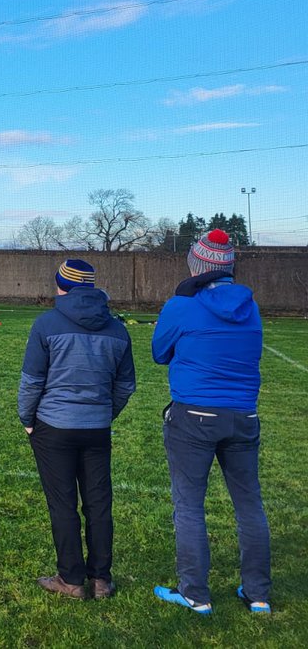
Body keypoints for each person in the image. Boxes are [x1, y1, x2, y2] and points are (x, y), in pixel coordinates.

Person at [151, 230, 272, 615]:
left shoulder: (180, 306)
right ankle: (258, 594)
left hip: (194, 418)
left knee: (189, 506)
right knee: (250, 505)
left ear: (197, 266)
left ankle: (195, 594)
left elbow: (159, 352)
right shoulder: (250, 307)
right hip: (243, 416)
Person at [18, 259, 135, 600]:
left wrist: (27, 419)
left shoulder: (46, 323)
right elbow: (125, 385)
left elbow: (31, 381)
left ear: (61, 285)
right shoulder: (117, 328)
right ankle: (101, 579)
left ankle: (71, 579)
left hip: (53, 428)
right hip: (96, 428)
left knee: (63, 504)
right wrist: (104, 414)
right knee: (99, 503)